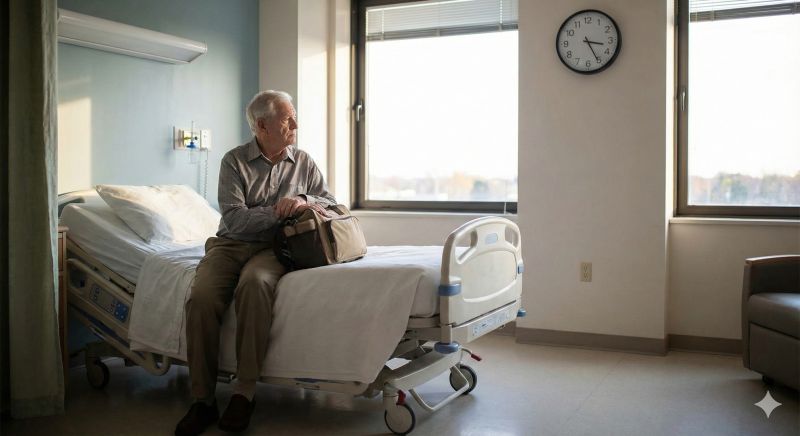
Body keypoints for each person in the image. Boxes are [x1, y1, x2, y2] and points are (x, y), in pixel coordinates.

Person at [175, 90, 336, 436]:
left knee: (255, 284)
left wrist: (302, 199)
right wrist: (279, 211)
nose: (296, 125)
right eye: (288, 119)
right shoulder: (233, 162)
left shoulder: (304, 161)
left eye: (294, 118)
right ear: (262, 126)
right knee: (201, 298)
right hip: (230, 245)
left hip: (275, 248)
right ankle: (202, 400)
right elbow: (235, 219)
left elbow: (329, 202)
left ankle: (243, 393)